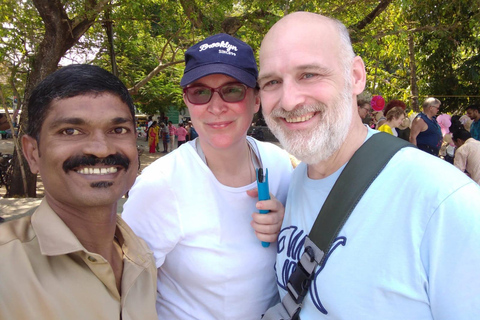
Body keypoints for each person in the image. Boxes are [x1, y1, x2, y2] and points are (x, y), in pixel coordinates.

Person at [258, 12, 480, 319]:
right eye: (271, 81)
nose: (289, 100)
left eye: (309, 74)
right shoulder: (298, 179)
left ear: (356, 76)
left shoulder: (445, 204)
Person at [122, 33, 293, 320]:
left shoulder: (279, 164)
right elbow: (125, 290)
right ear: (187, 102)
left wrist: (287, 224)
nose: (215, 107)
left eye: (233, 90)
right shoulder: (161, 184)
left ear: (255, 100)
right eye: (200, 92)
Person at [0, 64, 157, 319]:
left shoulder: (141, 258)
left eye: (117, 130)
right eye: (70, 131)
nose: (101, 149)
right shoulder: (6, 267)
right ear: (32, 154)